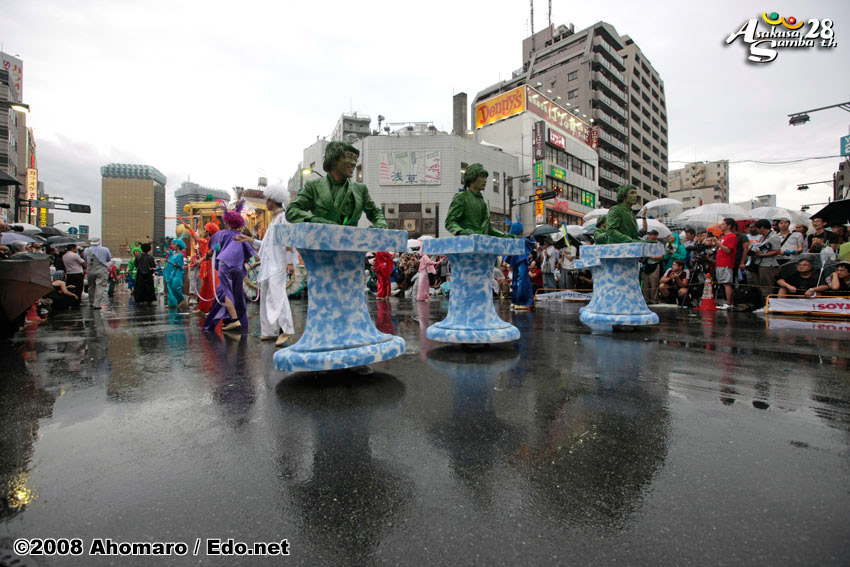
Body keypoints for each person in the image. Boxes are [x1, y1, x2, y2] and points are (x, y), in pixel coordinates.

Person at [236, 184, 297, 346]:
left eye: (267, 200)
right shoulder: (274, 220)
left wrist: (290, 262)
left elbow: (289, 241)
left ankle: (287, 330)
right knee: (265, 297)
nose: (266, 203)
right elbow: (267, 244)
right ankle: (269, 331)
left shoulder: (283, 218)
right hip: (269, 265)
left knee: (278, 296)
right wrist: (249, 239)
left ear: (273, 201)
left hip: (279, 264)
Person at [286, 141, 387, 228]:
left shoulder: (360, 189)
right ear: (333, 159)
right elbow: (291, 210)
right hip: (321, 240)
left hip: (350, 241)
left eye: (355, 159)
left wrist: (380, 223)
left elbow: (375, 212)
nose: (353, 163)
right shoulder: (313, 187)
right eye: (349, 157)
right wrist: (316, 220)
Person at [204, 202, 257, 332]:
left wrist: (207, 256)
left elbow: (211, 251)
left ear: (227, 222)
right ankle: (237, 321)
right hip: (238, 268)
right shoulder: (241, 236)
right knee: (237, 294)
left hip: (225, 265)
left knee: (225, 292)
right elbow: (249, 256)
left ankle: (233, 319)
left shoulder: (220, 234)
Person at [445, 163, 514, 237]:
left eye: (485, 178)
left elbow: (488, 229)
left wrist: (505, 236)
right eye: (482, 177)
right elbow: (450, 222)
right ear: (472, 178)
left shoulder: (484, 202)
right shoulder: (461, 197)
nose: (485, 181)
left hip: (482, 242)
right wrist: (461, 231)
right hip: (467, 241)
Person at [711, 218, 739, 310]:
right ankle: (726, 301)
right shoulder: (723, 237)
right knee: (723, 283)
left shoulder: (732, 236)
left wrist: (718, 242)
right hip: (719, 262)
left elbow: (728, 250)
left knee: (727, 283)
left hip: (726, 263)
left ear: (729, 226)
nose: (721, 225)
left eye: (723, 224)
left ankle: (729, 303)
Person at [751, 218, 782, 297]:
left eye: (757, 228)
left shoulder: (773, 237)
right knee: (760, 285)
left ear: (762, 228)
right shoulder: (762, 237)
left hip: (768, 265)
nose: (756, 230)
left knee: (767, 285)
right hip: (760, 263)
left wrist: (762, 255)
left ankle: (768, 301)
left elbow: (777, 251)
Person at [508, 221, 535, 310]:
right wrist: (532, 236)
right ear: (520, 231)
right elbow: (532, 245)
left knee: (515, 281)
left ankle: (514, 302)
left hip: (515, 262)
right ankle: (521, 303)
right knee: (523, 282)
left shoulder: (512, 240)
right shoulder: (523, 240)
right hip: (522, 261)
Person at [84, 237, 112, 309]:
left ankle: (91, 302)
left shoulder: (87, 250)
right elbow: (108, 259)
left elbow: (85, 259)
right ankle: (96, 304)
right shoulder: (105, 249)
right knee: (101, 286)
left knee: (91, 286)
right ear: (99, 242)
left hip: (90, 269)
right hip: (101, 268)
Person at [164, 239, 189, 309]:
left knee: (176, 287)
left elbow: (179, 265)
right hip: (171, 274)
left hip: (177, 273)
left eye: (174, 244)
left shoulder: (180, 255)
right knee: (170, 288)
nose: (173, 245)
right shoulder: (173, 254)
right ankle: (172, 303)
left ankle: (182, 300)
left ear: (178, 246)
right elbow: (168, 251)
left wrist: (169, 262)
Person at [641, 230, 664, 305]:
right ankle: (646, 300)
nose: (650, 236)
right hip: (646, 265)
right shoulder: (645, 244)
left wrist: (651, 256)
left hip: (655, 264)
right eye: (649, 235)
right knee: (645, 283)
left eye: (651, 235)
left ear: (656, 236)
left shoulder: (659, 244)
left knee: (654, 283)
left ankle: (654, 300)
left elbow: (661, 257)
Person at [62, 244, 87, 309]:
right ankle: (77, 302)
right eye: (76, 248)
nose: (76, 250)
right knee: (78, 289)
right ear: (72, 248)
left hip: (69, 274)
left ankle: (71, 302)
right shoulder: (75, 255)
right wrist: (85, 267)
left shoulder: (64, 256)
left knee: (70, 288)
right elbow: (83, 263)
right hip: (77, 274)